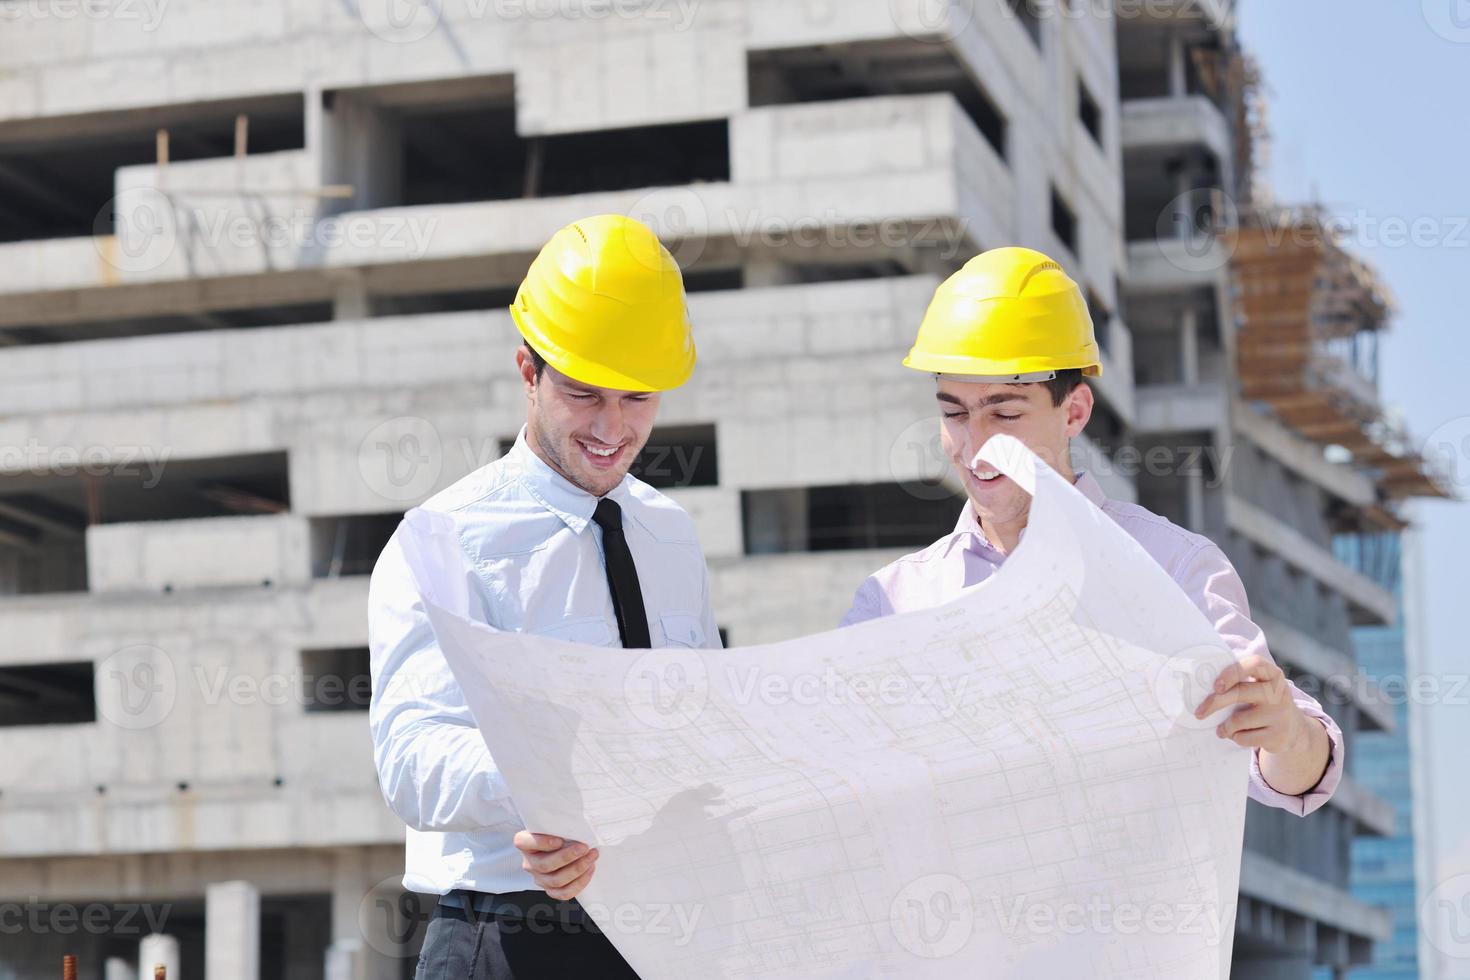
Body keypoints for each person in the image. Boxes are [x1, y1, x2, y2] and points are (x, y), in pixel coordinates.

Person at [841, 246, 1340, 814]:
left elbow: (1293, 768)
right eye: (954, 412)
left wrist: (1288, 734)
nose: (975, 443)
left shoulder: (1173, 567)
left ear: (1074, 412)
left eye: (1005, 413)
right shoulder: (892, 603)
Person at [368, 214, 721, 979]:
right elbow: (411, 753)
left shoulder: (670, 533)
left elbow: (701, 709)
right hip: (510, 937)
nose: (612, 428)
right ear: (528, 371)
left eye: (637, 399)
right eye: (584, 395)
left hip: (665, 930)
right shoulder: (443, 538)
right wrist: (546, 792)